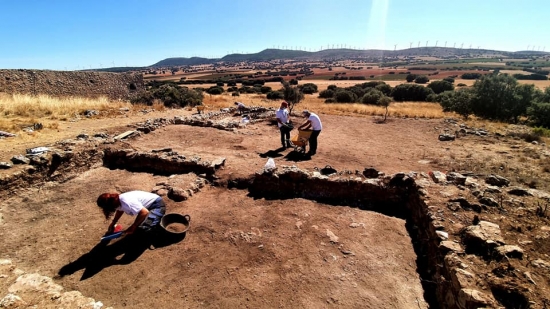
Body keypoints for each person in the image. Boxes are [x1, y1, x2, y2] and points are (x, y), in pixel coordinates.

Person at [96, 191, 166, 235]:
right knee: (138, 227)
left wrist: (133, 226)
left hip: (156, 205)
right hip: (147, 207)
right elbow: (120, 209)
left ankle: (157, 228)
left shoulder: (127, 202)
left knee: (143, 229)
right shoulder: (116, 201)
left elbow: (144, 212)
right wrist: (113, 222)